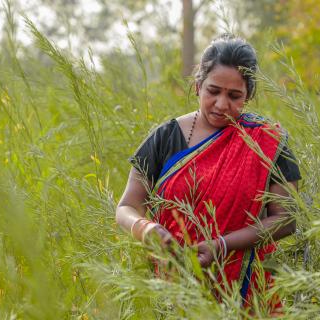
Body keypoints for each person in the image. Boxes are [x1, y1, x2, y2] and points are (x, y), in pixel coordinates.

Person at [115, 34, 301, 308]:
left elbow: (286, 220)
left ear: (248, 95)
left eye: (234, 95)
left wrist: (223, 245)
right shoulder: (165, 138)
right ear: (198, 86)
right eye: (213, 91)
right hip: (175, 286)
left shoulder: (267, 143)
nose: (222, 104)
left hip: (246, 289)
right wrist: (147, 229)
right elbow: (126, 207)